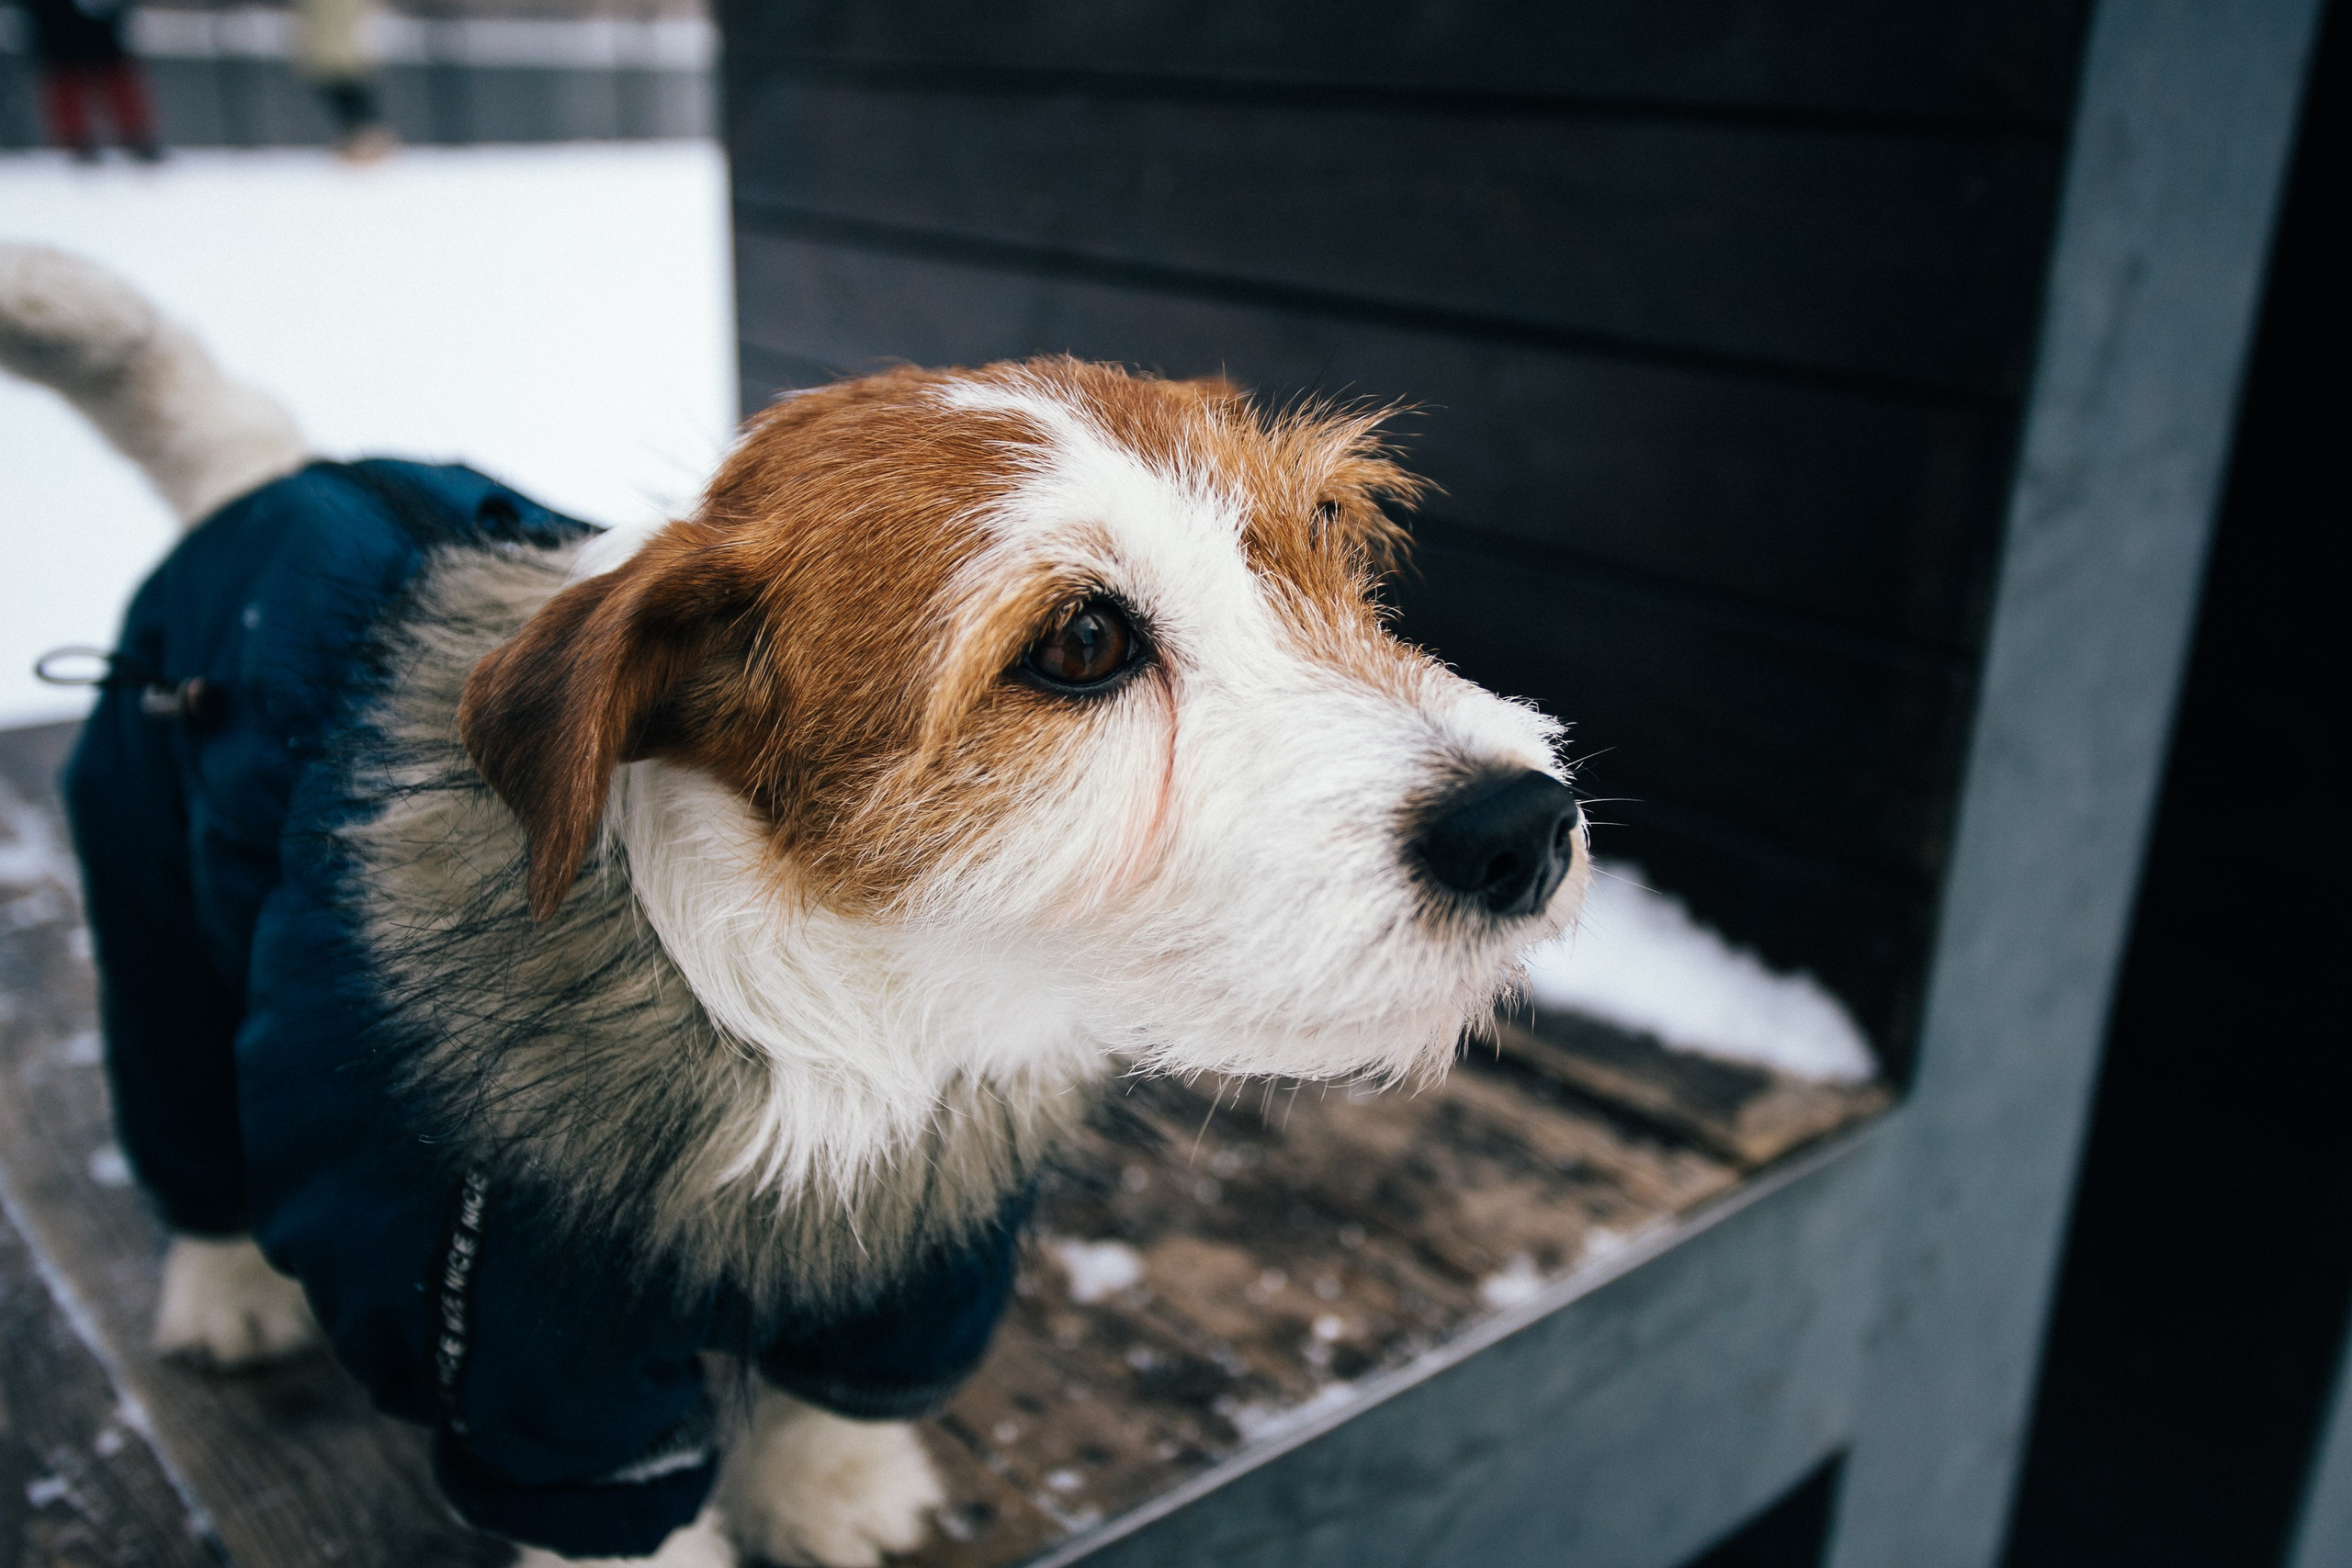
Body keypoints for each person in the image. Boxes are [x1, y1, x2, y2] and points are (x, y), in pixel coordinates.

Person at [24, 0, 164, 163]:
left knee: (113, 72)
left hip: (99, 30)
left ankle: (137, 135)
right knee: (65, 77)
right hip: (56, 26)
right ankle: (76, 139)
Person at [296, 0, 398, 161]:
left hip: (338, 60)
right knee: (353, 105)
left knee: (353, 106)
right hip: (341, 59)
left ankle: (364, 144)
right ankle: (362, 144)